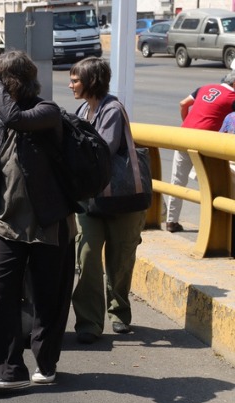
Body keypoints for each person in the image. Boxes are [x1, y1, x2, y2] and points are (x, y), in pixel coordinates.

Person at [0, 51, 76, 392]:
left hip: (49, 224)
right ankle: (6, 368)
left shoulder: (47, 112)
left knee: (48, 299)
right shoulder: (4, 118)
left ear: (10, 82)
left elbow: (15, 117)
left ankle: (46, 361)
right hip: (6, 224)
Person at [68, 57, 147, 344]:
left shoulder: (112, 109)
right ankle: (88, 323)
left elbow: (102, 150)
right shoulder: (81, 109)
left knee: (120, 260)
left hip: (122, 199)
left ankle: (119, 312)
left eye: (75, 80)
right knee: (87, 257)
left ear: (91, 82)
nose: (71, 85)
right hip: (91, 200)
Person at [165, 74, 235, 232]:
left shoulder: (203, 88)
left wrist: (187, 122)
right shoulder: (232, 97)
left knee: (177, 181)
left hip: (184, 136)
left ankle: (171, 221)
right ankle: (212, 225)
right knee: (213, 184)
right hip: (205, 142)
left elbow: (183, 104)